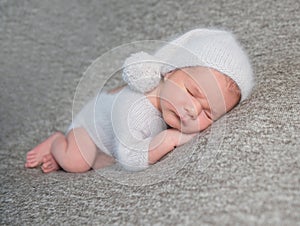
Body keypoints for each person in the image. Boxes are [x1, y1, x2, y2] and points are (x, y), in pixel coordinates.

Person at [25, 28, 254, 173]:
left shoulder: (168, 103)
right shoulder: (134, 108)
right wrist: (168, 138)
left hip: (109, 144)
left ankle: (60, 157)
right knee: (77, 162)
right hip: (87, 131)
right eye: (192, 92)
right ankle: (58, 142)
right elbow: (129, 156)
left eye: (208, 113)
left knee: (98, 163)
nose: (193, 110)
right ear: (170, 72)